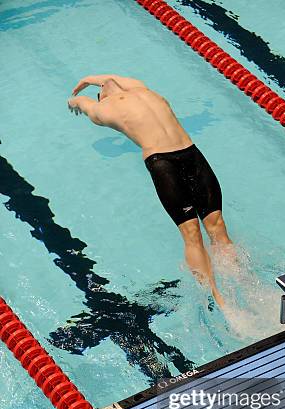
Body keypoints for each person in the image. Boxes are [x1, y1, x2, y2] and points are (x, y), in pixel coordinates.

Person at [68, 74, 233, 309]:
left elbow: (103, 84)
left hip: (188, 153)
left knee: (216, 225)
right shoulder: (106, 109)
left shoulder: (138, 89)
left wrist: (86, 83)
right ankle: (217, 297)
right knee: (192, 232)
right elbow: (84, 102)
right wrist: (81, 92)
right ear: (102, 95)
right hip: (167, 162)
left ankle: (240, 280)